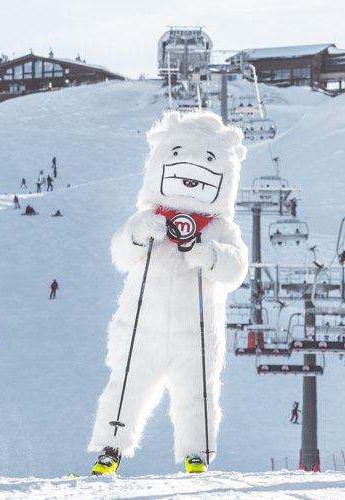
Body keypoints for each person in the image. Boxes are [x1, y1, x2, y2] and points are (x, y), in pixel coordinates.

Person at [88, 111, 250, 475]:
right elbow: (120, 253)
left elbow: (237, 267)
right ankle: (110, 448)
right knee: (128, 382)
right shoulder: (150, 218)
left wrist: (208, 254)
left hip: (196, 332)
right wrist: (138, 234)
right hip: (142, 324)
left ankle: (196, 452)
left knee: (198, 391)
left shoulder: (219, 228)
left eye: (208, 161)